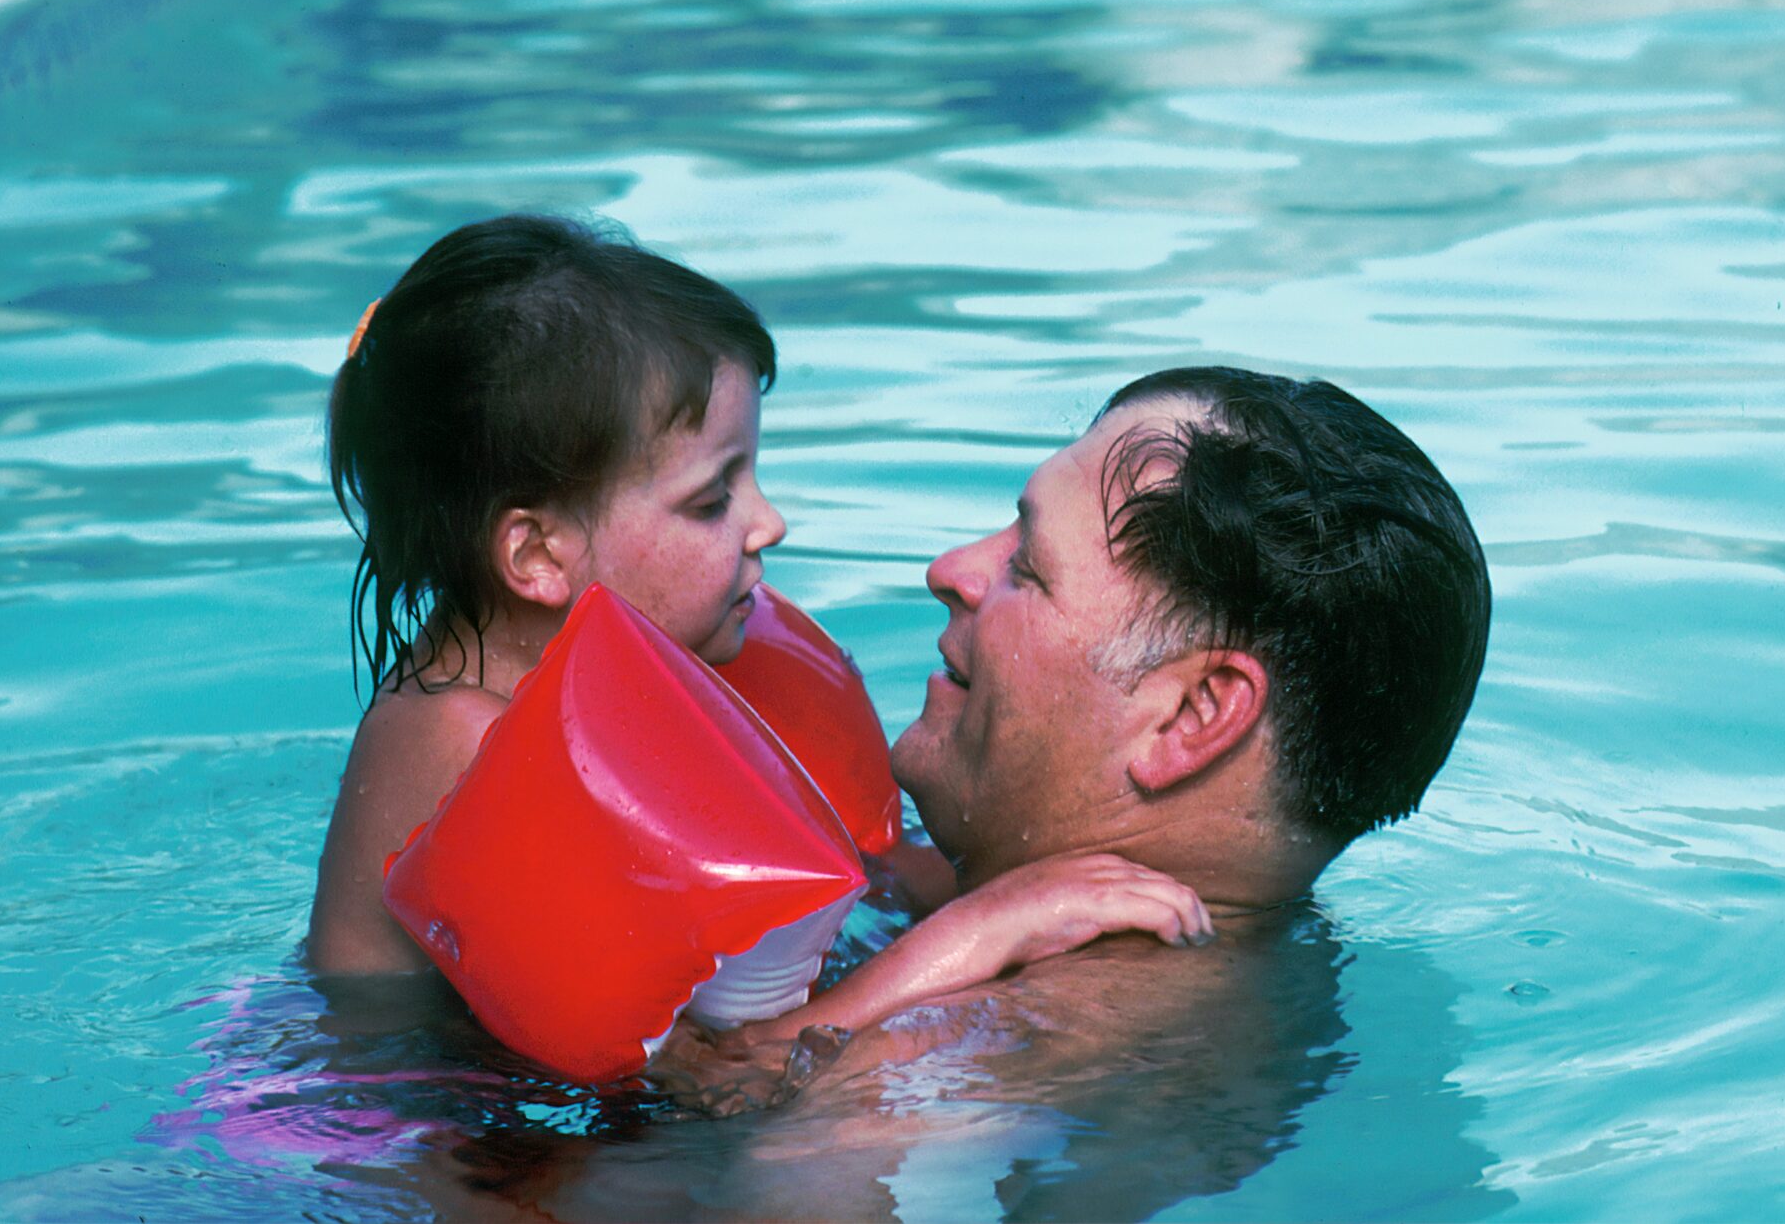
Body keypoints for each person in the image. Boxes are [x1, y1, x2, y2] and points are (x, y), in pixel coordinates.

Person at [400, 363, 1494, 1222]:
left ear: (1191, 716)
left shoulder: (983, 1055)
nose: (949, 565)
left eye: (1027, 566)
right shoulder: (1251, 972)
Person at [304, 215, 1210, 1040]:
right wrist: (983, 928)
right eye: (712, 498)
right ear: (537, 554)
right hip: (410, 1127)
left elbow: (860, 881)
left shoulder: (650, 678)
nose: (768, 521)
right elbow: (716, 1074)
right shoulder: (466, 741)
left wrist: (1073, 877)